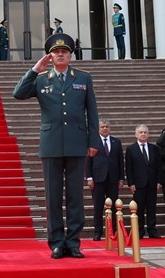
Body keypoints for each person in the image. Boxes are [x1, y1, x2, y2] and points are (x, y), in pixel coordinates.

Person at [13, 33, 100, 259]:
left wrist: (93, 141)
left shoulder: (83, 78)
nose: (60, 55)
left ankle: (73, 242)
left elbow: (92, 112)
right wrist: (34, 69)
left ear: (70, 56)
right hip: (51, 144)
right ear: (50, 56)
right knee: (52, 196)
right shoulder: (41, 79)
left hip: (76, 142)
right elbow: (18, 94)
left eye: (64, 52)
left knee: (75, 196)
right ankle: (56, 243)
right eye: (56, 52)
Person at [86, 120, 124, 241]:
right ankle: (98, 231)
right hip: (98, 178)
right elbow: (88, 161)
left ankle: (113, 231)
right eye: (102, 127)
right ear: (98, 128)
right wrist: (89, 177)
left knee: (113, 206)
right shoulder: (93, 142)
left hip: (113, 178)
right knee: (98, 206)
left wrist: (121, 178)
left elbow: (120, 161)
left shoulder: (116, 142)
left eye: (107, 127)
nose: (105, 128)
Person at [124, 125, 160, 239]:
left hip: (152, 183)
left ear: (148, 134)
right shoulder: (131, 149)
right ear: (136, 134)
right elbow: (128, 168)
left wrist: (159, 181)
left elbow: (158, 167)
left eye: (145, 132)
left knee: (151, 208)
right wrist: (131, 183)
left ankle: (152, 230)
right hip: (138, 184)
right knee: (138, 208)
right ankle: (139, 230)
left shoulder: (154, 148)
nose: (143, 134)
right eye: (140, 132)